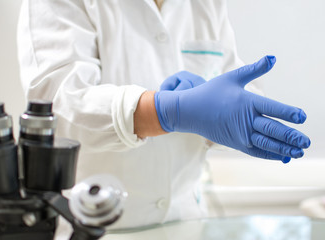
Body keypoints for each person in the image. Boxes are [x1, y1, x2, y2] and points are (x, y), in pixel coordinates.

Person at [17, 0, 310, 230]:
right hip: (95, 223)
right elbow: (60, 107)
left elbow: (230, 87)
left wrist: (225, 113)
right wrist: (165, 111)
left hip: (186, 221)